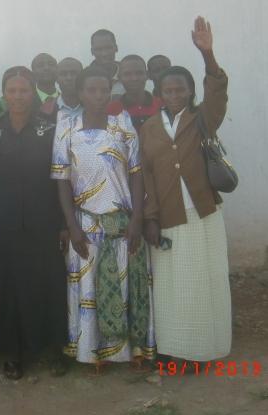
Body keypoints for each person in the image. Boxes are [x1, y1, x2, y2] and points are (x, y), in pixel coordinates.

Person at [51, 66, 155, 370]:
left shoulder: (123, 125)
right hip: (85, 224)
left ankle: (129, 350)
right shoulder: (66, 127)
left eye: (104, 90)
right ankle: (93, 352)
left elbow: (136, 174)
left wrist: (136, 219)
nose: (98, 96)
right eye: (91, 90)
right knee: (89, 291)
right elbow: (62, 181)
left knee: (125, 286)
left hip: (121, 223)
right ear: (80, 93)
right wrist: (72, 226)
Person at [141, 17, 231, 364]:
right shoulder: (149, 127)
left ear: (191, 91)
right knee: (172, 286)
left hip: (202, 213)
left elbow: (218, 89)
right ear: (160, 94)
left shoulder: (202, 118)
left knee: (204, 281)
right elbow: (147, 176)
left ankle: (204, 349)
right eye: (168, 90)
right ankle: (175, 348)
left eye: (181, 89)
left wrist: (207, 53)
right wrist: (150, 217)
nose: (175, 95)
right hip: (168, 216)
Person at [0, 66, 68, 380]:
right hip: (4, 228)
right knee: (7, 290)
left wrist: (64, 224)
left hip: (44, 225)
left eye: (23, 90)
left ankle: (53, 349)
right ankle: (13, 352)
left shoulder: (50, 131)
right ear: (3, 94)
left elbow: (63, 181)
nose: (18, 96)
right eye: (11, 91)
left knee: (48, 286)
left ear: (32, 93)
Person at [107, 55, 162, 131]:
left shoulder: (162, 106)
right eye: (127, 74)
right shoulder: (111, 110)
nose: (134, 78)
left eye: (139, 73)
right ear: (119, 78)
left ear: (147, 75)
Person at [40, 57, 83, 122]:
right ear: (56, 78)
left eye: (73, 73)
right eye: (63, 74)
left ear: (82, 77)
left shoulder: (94, 107)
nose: (69, 78)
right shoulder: (44, 110)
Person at [90, 29, 125, 99]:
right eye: (99, 49)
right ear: (92, 51)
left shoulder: (131, 76)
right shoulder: (84, 80)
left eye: (108, 48)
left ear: (116, 48)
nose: (104, 54)